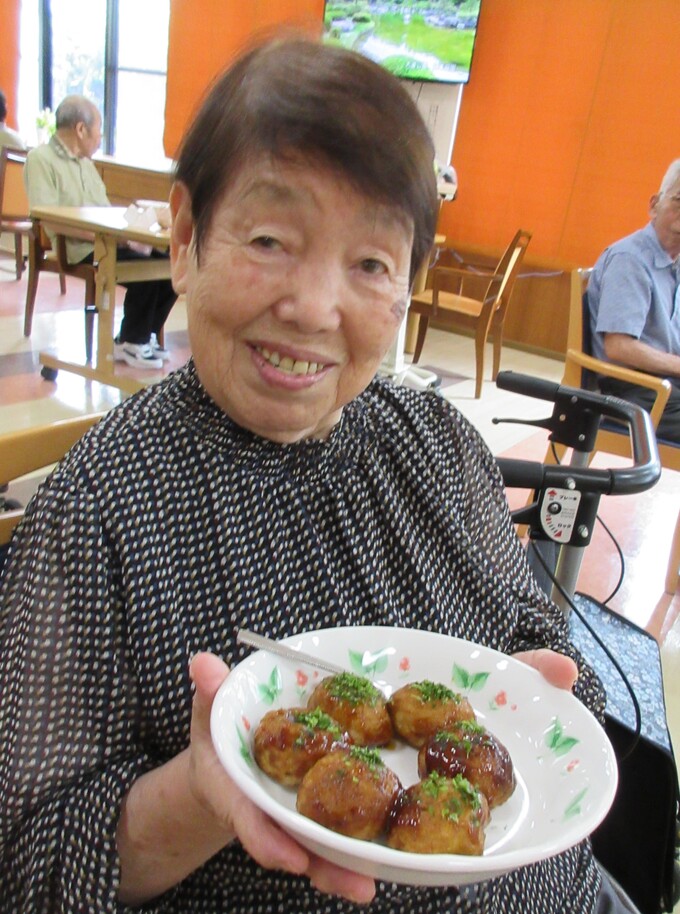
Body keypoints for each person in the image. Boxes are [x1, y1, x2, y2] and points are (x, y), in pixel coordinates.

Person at [0, 37, 637, 914]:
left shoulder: (440, 446)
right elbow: (29, 867)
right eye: (270, 239)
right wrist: (200, 794)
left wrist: (543, 701)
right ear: (186, 238)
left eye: (370, 264)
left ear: (406, 289)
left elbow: (546, 644)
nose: (312, 307)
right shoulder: (100, 509)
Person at [23, 95, 176, 369]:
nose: (100, 138)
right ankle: (130, 341)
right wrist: (104, 234)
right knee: (145, 271)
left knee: (172, 262)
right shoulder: (40, 159)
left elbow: (105, 212)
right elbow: (49, 219)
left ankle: (140, 337)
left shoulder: (86, 164)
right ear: (81, 129)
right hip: (80, 248)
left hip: (108, 241)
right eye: (98, 131)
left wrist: (132, 230)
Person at [588, 159, 680, 443]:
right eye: (679, 200)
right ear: (654, 205)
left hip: (663, 383)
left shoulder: (674, 262)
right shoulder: (631, 260)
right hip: (630, 389)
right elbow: (619, 347)